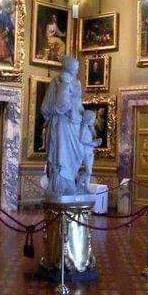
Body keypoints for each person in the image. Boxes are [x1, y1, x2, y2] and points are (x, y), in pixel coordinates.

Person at [41, 57, 84, 196]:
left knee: (76, 152)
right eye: (75, 68)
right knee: (61, 153)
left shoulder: (77, 83)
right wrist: (61, 107)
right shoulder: (56, 82)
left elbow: (78, 103)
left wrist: (82, 114)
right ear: (68, 68)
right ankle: (60, 186)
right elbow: (46, 106)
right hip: (61, 123)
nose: (77, 70)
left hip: (74, 123)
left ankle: (71, 183)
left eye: (77, 67)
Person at [77, 110, 101, 194]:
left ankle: (86, 187)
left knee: (89, 172)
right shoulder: (83, 127)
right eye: (93, 119)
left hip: (90, 151)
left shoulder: (89, 128)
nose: (94, 121)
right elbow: (81, 140)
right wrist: (93, 143)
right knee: (88, 171)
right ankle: (78, 186)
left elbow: (87, 140)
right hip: (85, 152)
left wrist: (95, 142)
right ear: (87, 118)